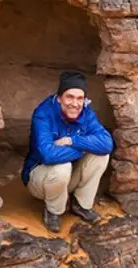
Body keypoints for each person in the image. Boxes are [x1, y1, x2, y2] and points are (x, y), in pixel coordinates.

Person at [21, 71, 113, 232]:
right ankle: (53, 211)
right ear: (59, 97)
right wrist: (82, 150)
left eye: (80, 98)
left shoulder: (86, 113)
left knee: (101, 155)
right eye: (69, 97)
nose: (75, 104)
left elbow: (107, 144)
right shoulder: (43, 114)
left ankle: (81, 205)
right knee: (61, 167)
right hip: (40, 180)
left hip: (67, 178)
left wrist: (73, 141)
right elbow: (47, 155)